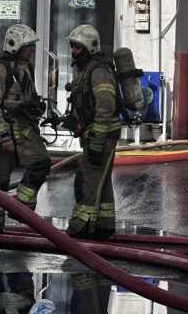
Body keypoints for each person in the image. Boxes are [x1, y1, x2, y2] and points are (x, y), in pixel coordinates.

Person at [0, 24, 51, 233]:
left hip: (18, 131)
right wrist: (3, 137)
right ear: (15, 46)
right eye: (28, 46)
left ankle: (21, 205)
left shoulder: (25, 69)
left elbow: (26, 98)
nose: (32, 50)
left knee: (41, 162)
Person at [65, 24, 121, 240]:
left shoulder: (99, 71)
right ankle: (104, 227)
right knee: (102, 181)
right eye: (72, 47)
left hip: (103, 135)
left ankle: (80, 227)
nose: (73, 51)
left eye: (77, 48)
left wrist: (97, 138)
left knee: (87, 180)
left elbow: (105, 106)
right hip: (95, 133)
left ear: (90, 47)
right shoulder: (86, 69)